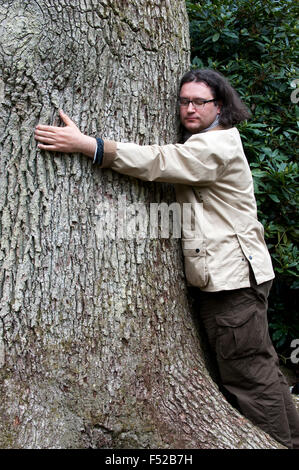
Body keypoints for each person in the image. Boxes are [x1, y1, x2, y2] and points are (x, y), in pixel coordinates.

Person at [34, 69, 299, 448]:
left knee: (249, 376)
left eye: (200, 102)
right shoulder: (211, 141)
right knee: (262, 368)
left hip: (232, 280)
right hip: (241, 274)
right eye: (184, 101)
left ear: (220, 106)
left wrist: (88, 145)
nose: (189, 108)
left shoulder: (214, 146)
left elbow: (160, 162)